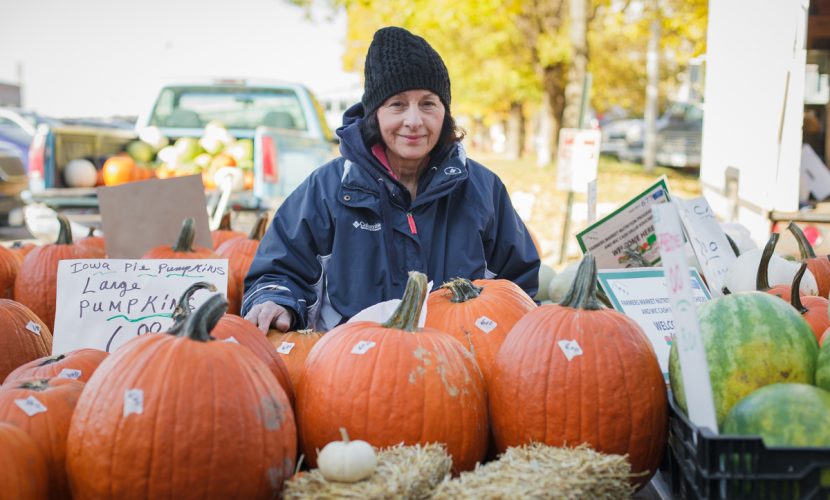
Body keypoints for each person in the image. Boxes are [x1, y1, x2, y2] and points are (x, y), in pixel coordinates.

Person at [242, 26, 540, 333]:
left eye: (428, 103)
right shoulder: (328, 188)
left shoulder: (482, 189)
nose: (414, 121)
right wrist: (276, 300)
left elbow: (520, 289)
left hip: (460, 366)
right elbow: (278, 273)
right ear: (375, 113)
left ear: (444, 113)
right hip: (348, 368)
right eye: (397, 104)